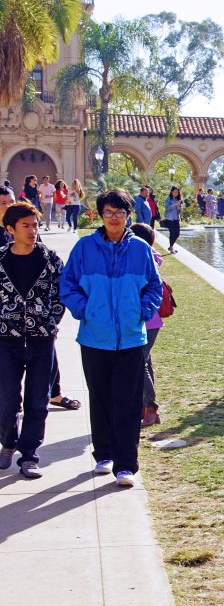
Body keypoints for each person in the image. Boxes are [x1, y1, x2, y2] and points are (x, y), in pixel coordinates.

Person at [60, 189, 163, 488]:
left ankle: (126, 464)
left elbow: (154, 287)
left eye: (119, 212)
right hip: (94, 337)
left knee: (128, 402)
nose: (114, 217)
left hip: (131, 338)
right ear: (100, 215)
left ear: (128, 215)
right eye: (108, 212)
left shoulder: (140, 249)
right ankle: (103, 454)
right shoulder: (84, 248)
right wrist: (84, 309)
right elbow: (67, 284)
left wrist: (142, 311)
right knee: (102, 397)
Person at [0, 203, 65, 479]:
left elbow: (63, 293)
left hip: (41, 340)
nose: (32, 230)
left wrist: (50, 322)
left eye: (35, 225)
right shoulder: (0, 260)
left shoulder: (50, 260)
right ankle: (8, 443)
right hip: (6, 340)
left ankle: (29, 455)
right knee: (6, 399)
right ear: (10, 229)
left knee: (37, 401)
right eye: (25, 225)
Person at [130, 223, 164, 427]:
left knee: (137, 363)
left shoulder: (143, 258)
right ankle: (145, 407)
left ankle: (151, 408)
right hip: (149, 320)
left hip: (146, 319)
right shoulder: (149, 256)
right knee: (144, 362)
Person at [164, 186, 183, 253]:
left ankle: (171, 246)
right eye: (175, 192)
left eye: (177, 192)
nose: (176, 193)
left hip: (176, 218)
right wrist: (175, 204)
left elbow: (178, 210)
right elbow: (167, 208)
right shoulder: (168, 199)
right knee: (172, 233)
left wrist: (180, 209)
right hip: (170, 218)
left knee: (177, 233)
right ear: (171, 192)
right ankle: (171, 247)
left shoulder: (177, 199)